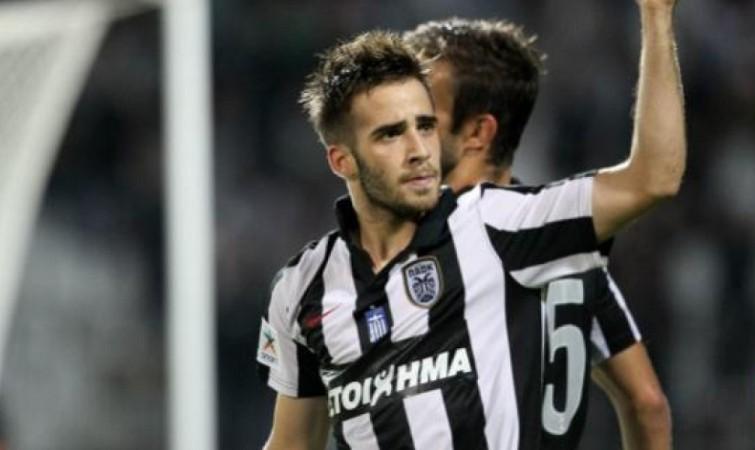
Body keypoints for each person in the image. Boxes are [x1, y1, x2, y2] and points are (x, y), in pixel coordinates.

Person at [258, 3, 684, 445]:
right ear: (340, 160)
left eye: (427, 125)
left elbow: (655, 178)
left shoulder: (501, 224)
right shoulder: (301, 286)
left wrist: (656, 16)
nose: (419, 149)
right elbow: (292, 442)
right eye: (391, 134)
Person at [403, 16, 672, 450]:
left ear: (478, 132)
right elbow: (648, 404)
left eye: (424, 115)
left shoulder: (478, 227)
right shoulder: (564, 248)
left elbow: (654, 178)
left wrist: (656, 20)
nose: (407, 127)